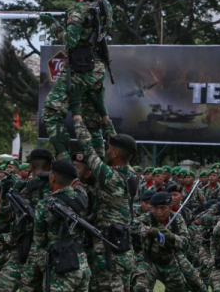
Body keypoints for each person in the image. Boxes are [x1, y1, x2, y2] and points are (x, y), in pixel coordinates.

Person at [69, 87, 136, 292]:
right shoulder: (131, 174)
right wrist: (104, 113)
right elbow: (113, 137)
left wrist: (77, 113)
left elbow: (87, 146)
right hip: (124, 245)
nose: (105, 151)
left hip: (108, 249)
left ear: (115, 153)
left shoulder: (109, 177)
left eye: (108, 150)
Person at [42, 0, 115, 153]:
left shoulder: (79, 8)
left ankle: (62, 157)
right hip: (97, 69)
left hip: (79, 70)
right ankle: (99, 163)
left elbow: (70, 40)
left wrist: (54, 26)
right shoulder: (105, 5)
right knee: (92, 122)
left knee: (50, 113)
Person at [0, 148, 54, 292]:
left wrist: (4, 198)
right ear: (51, 167)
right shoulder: (60, 191)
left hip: (26, 247)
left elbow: (3, 217)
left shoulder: (25, 190)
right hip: (48, 250)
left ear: (29, 167)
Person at [33, 159, 91, 291]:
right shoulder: (82, 198)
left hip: (60, 266)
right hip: (82, 262)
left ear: (53, 178)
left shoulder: (45, 204)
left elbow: (39, 240)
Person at [132, 192, 195, 292]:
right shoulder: (147, 217)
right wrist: (149, 230)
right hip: (148, 261)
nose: (158, 212)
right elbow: (133, 227)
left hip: (169, 262)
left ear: (170, 207)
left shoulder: (177, 219)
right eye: (155, 208)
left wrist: (172, 237)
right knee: (140, 287)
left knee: (181, 288)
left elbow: (186, 243)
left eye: (163, 208)